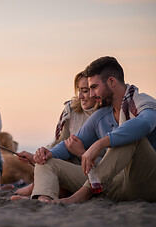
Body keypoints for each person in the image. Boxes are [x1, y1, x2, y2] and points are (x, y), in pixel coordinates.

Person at [31, 56, 156, 203]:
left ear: (111, 82)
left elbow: (145, 124)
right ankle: (44, 201)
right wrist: (48, 153)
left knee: (130, 137)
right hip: (112, 184)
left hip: (146, 184)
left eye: (94, 87)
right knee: (47, 163)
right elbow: (73, 142)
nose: (91, 95)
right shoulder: (101, 116)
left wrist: (101, 143)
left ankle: (81, 195)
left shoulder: (143, 102)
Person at [12, 71, 99, 199]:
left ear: (96, 91)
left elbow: (109, 163)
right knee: (47, 163)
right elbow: (60, 143)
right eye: (78, 90)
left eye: (85, 91)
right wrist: (39, 155)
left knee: (54, 169)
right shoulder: (72, 110)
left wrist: (81, 152)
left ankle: (36, 193)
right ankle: (41, 197)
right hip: (69, 169)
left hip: (93, 172)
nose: (80, 96)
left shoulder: (106, 116)